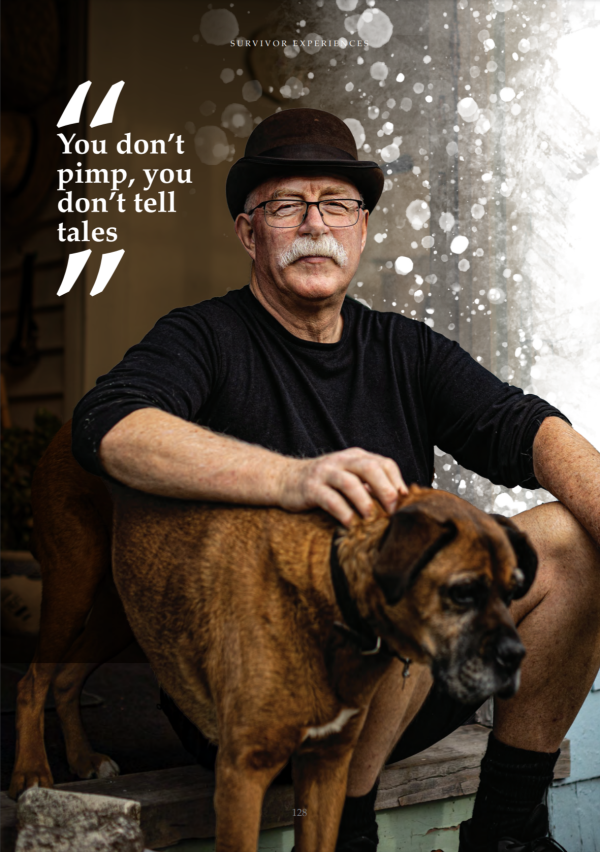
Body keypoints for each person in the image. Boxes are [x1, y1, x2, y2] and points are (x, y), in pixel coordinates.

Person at [72, 108, 600, 852]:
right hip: (250, 699)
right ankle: (346, 827)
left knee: (572, 539)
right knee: (367, 574)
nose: (315, 223)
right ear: (249, 232)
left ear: (361, 227)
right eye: (287, 205)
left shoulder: (405, 349)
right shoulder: (205, 337)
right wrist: (294, 479)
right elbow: (110, 426)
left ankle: (506, 833)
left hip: (391, 697)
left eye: (337, 204)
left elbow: (532, 431)